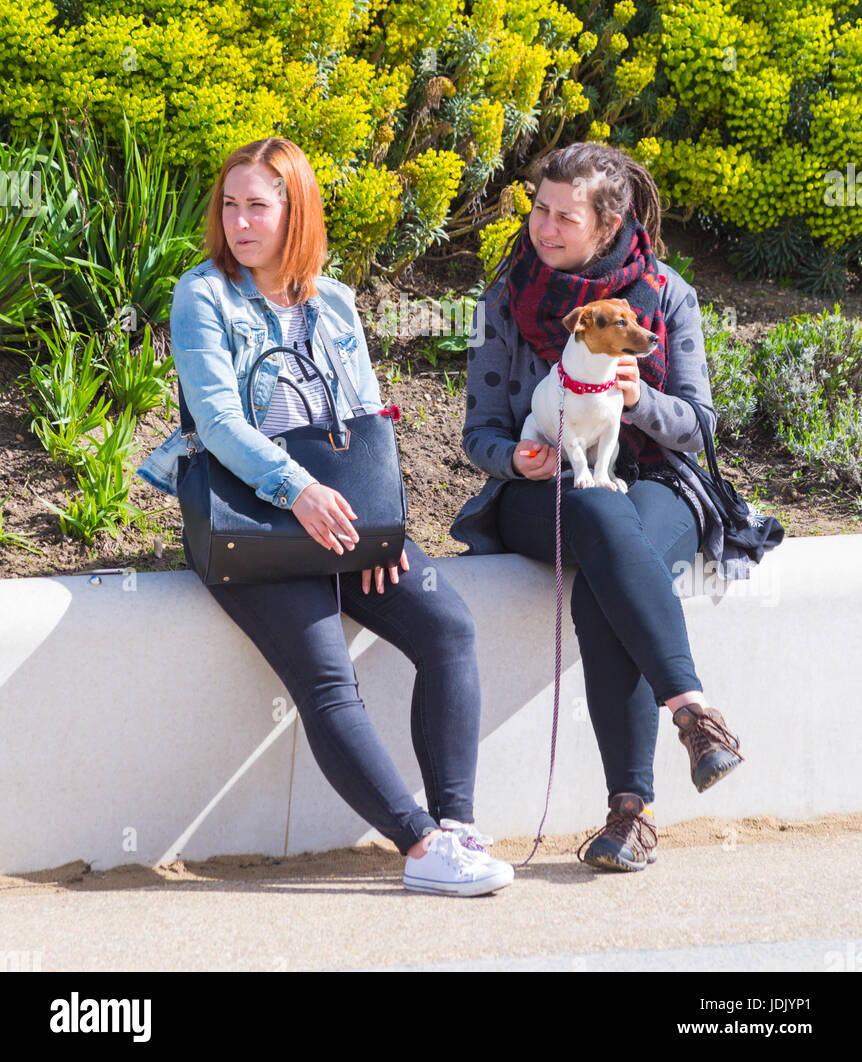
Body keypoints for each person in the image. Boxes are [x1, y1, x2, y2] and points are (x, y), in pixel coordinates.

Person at [137, 137, 513, 897]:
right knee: (327, 676)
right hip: (256, 522)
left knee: (448, 628)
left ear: (296, 212)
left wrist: (378, 527)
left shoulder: (333, 301)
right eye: (231, 204)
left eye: (259, 206)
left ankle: (456, 825)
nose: (240, 221)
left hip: (339, 516)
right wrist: (298, 490)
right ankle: (419, 847)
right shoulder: (202, 294)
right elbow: (214, 422)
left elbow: (367, 412)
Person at [450, 141, 744, 872]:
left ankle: (628, 813)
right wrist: (512, 457)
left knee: (606, 571)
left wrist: (640, 399)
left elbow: (700, 425)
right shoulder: (505, 298)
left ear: (609, 224)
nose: (542, 228)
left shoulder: (666, 296)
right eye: (538, 210)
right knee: (599, 516)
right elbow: (479, 432)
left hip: (658, 484)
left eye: (562, 216)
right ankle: (693, 714)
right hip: (537, 495)